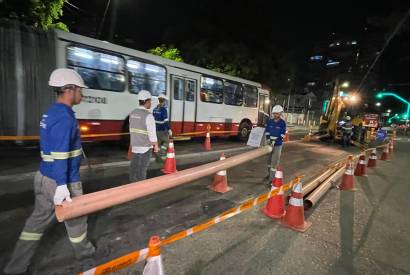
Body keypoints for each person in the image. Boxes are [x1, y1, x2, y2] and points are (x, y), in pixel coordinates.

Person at [4, 68, 95, 274]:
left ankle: (15, 268)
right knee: (77, 223)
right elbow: (61, 154)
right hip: (62, 181)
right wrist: (63, 186)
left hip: (43, 177)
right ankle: (86, 258)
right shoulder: (65, 117)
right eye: (80, 89)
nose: (83, 93)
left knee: (36, 223)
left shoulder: (51, 112)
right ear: (70, 90)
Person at [129, 90, 159, 182]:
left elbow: (131, 130)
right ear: (147, 101)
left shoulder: (132, 113)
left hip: (134, 146)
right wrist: (156, 146)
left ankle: (131, 186)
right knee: (142, 169)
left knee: (133, 168)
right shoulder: (148, 116)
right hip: (145, 147)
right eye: (150, 101)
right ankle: (141, 188)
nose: (151, 103)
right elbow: (152, 134)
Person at [265, 105, 287, 181]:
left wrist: (275, 141)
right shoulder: (270, 121)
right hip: (269, 145)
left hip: (277, 146)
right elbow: (267, 131)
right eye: (274, 113)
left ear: (280, 113)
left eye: (277, 113)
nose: (275, 115)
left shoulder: (282, 123)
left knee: (274, 163)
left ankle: (272, 179)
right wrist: (268, 139)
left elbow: (282, 135)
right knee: (269, 161)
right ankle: (269, 174)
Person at [153, 93, 172, 159]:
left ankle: (157, 155)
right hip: (162, 130)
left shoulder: (155, 109)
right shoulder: (163, 110)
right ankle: (162, 153)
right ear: (164, 101)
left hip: (156, 130)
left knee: (158, 143)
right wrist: (169, 130)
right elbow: (166, 122)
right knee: (166, 142)